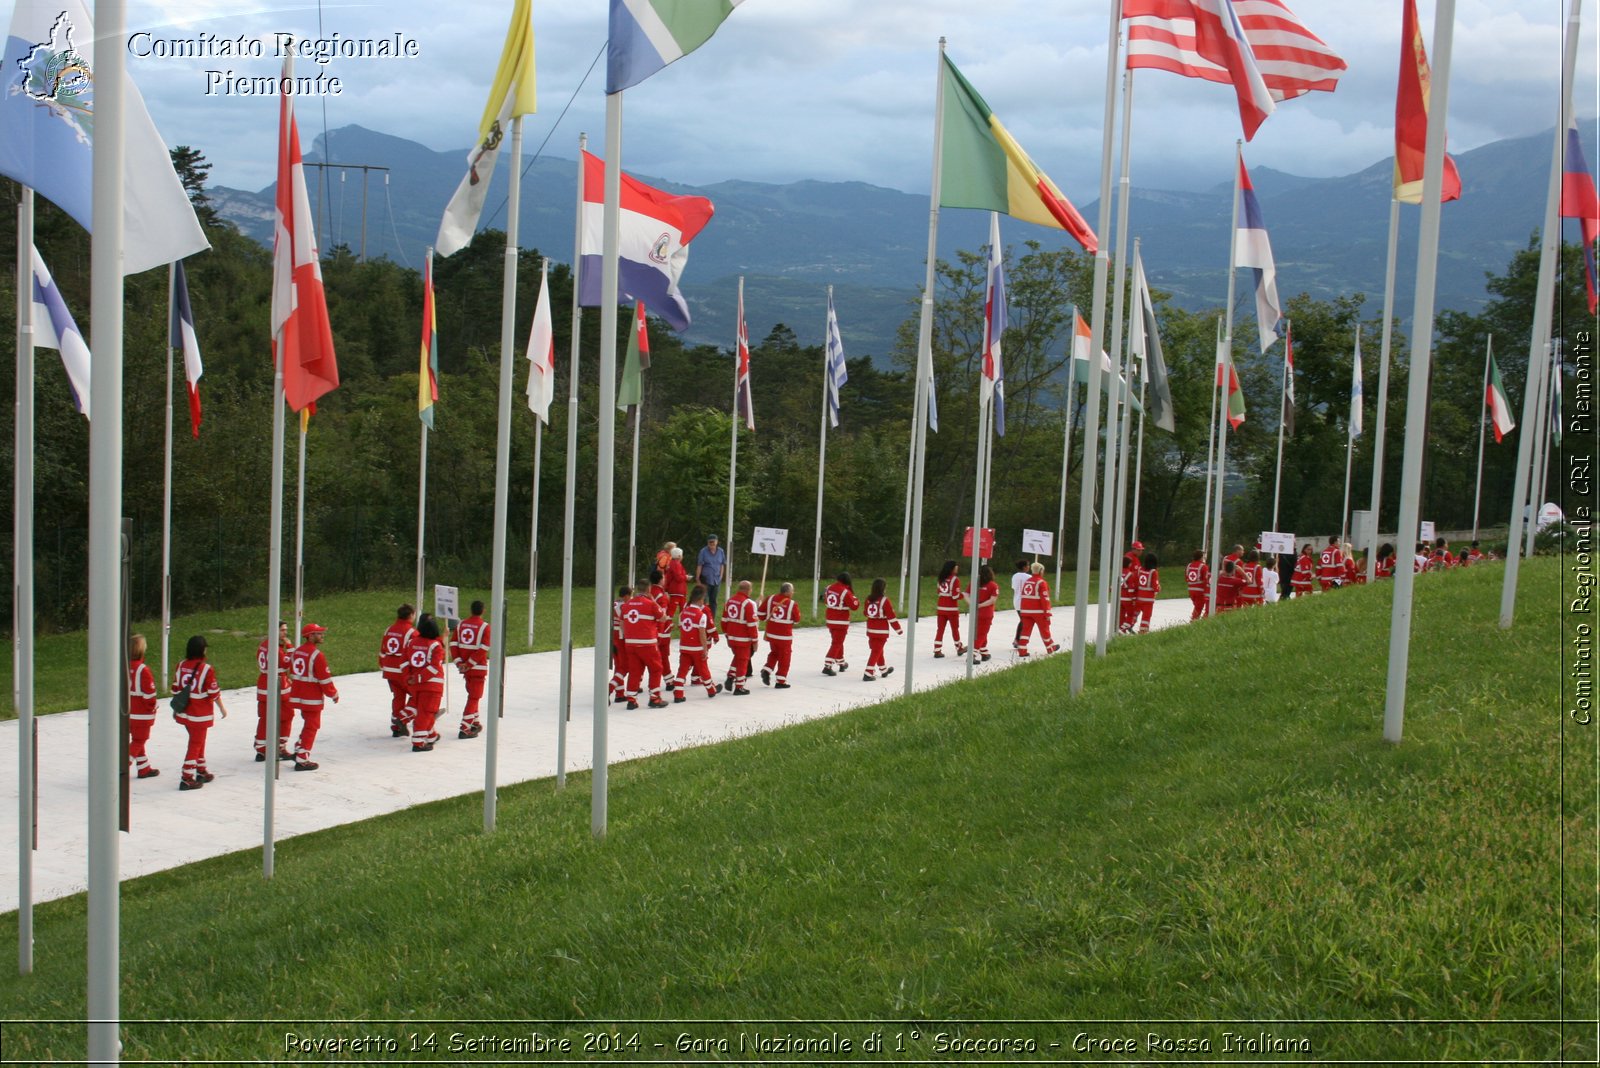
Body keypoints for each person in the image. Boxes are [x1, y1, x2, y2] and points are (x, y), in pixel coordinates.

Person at [174, 634, 228, 790]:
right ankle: (187, 777)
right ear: (203, 650)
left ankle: (201, 770)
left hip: (184, 711)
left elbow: (175, 687)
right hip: (200, 713)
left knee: (198, 741)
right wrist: (222, 707)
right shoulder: (206, 669)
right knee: (195, 743)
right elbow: (213, 691)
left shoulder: (181, 665)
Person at [288, 622, 339, 772]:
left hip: (297, 695)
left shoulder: (296, 652)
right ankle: (302, 758)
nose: (322, 635)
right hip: (312, 697)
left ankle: (299, 747)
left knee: (308, 723)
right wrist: (333, 693)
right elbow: (324, 678)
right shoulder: (317, 655)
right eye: (318, 633)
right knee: (313, 725)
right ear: (310, 636)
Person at [621, 584, 669, 709]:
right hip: (647, 643)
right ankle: (655, 698)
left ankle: (631, 700)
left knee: (634, 672)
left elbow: (622, 624)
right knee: (656, 669)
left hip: (630, 644)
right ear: (648, 590)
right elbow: (663, 618)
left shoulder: (626, 605)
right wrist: (653, 601)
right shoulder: (650, 604)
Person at [406, 616, 447, 752]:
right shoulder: (436, 646)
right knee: (426, 712)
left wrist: (410, 678)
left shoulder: (411, 642)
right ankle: (418, 742)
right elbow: (434, 667)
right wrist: (419, 678)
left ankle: (431, 736)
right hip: (431, 686)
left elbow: (405, 662)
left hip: (415, 686)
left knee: (425, 711)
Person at [673, 585, 720, 703]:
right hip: (697, 648)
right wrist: (704, 649)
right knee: (704, 670)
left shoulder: (682, 613)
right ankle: (711, 690)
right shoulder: (701, 615)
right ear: (700, 600)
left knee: (682, 670)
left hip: (684, 647)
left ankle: (678, 693)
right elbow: (702, 634)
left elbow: (681, 628)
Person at [255, 620, 294, 760]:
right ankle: (280, 747)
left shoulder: (263, 646)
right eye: (282, 630)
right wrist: (289, 646)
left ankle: (261, 748)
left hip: (264, 685)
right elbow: (288, 662)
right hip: (278, 686)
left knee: (265, 718)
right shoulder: (276, 649)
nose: (285, 633)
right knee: (287, 716)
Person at [378, 605, 415, 739]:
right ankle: (404, 719)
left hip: (389, 670)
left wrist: (384, 666)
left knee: (398, 697)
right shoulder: (411, 632)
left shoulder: (389, 629)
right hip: (402, 671)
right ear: (411, 615)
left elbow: (382, 650)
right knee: (417, 696)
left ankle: (396, 727)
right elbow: (414, 652)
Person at [127, 634, 160, 779]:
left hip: (127, 711)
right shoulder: (142, 669)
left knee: (136, 738)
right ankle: (121, 767)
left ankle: (144, 768)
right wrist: (153, 706)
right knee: (139, 740)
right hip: (141, 712)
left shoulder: (124, 666)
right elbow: (149, 694)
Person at [454, 600, 489, 739]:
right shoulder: (485, 627)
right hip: (477, 668)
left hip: (465, 669)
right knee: (475, 697)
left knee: (472, 694)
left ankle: (475, 721)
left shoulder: (460, 624)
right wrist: (470, 663)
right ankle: (465, 727)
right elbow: (484, 648)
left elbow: (453, 644)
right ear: (483, 610)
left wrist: (459, 663)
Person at [720, 579, 760, 695]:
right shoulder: (747, 604)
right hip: (743, 638)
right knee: (743, 661)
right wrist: (755, 640)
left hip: (732, 637)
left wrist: (727, 636)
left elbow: (724, 621)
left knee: (737, 657)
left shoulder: (729, 601)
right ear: (747, 590)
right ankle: (739, 686)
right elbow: (751, 625)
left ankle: (730, 676)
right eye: (751, 589)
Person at [759, 581, 800, 688]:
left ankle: (767, 670)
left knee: (775, 652)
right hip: (784, 636)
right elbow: (797, 620)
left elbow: (761, 615)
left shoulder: (770, 598)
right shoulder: (792, 604)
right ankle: (781, 681)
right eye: (792, 591)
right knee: (785, 657)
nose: (793, 593)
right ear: (788, 592)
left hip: (771, 634)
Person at [862, 578, 902, 681]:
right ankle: (868, 672)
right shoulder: (885, 600)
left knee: (877, 649)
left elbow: (865, 613)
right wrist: (898, 629)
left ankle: (883, 670)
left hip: (870, 629)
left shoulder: (868, 599)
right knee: (876, 651)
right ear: (882, 588)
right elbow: (891, 616)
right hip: (881, 630)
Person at [1016, 562, 1059, 656]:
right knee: (1045, 630)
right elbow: (1045, 599)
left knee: (1025, 631)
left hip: (1026, 611)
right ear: (1041, 571)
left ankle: (1022, 650)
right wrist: (1047, 613)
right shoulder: (1041, 582)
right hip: (1038, 612)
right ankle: (1050, 648)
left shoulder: (1027, 581)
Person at [822, 572, 859, 676]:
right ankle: (827, 665)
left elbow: (825, 600)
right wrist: (855, 598)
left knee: (837, 641)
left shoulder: (829, 588)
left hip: (830, 619)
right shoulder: (845, 591)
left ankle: (841, 663)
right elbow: (854, 606)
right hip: (841, 621)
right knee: (837, 643)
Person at [933, 560, 967, 657]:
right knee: (955, 629)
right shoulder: (955, 579)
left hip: (941, 608)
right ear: (952, 568)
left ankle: (937, 649)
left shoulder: (941, 578)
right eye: (956, 566)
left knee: (940, 629)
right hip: (951, 609)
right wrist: (963, 595)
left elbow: (938, 592)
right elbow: (955, 596)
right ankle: (959, 647)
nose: (957, 568)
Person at [647, 568, 674, 674]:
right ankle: (669, 679)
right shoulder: (661, 596)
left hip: (650, 628)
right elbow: (662, 615)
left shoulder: (650, 592)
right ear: (660, 580)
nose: (665, 579)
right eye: (663, 577)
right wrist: (661, 633)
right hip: (661, 630)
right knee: (664, 655)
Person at [609, 587, 632, 704]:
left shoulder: (613, 604)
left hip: (611, 638)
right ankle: (609, 689)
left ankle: (620, 693)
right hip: (620, 639)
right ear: (626, 596)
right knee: (624, 667)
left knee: (618, 666)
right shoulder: (624, 606)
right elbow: (624, 623)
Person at [696, 534, 727, 617]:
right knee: (704, 600)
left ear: (717, 542)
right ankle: (703, 617)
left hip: (716, 579)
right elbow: (699, 565)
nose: (711, 544)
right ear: (707, 542)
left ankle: (712, 618)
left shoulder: (721, 551)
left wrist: (721, 575)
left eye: (713, 542)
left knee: (714, 600)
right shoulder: (703, 551)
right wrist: (697, 578)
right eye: (710, 542)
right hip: (705, 579)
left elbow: (722, 564)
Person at [973, 564, 999, 661]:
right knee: (982, 634)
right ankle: (973, 654)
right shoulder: (993, 585)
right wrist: (981, 605)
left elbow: (966, 594)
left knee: (980, 632)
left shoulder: (975, 583)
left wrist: (974, 605)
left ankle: (984, 652)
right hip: (986, 613)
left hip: (976, 613)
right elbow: (992, 600)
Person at [1135, 551, 1160, 632]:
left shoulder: (1140, 570)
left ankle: (1127, 626)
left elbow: (1136, 581)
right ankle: (1143, 631)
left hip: (1139, 597)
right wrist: (1159, 588)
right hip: (1148, 600)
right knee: (1146, 617)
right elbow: (1155, 587)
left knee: (1134, 614)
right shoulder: (1153, 572)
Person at [1117, 555, 1142, 634]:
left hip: (1120, 597)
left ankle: (1121, 629)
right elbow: (1131, 588)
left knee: (1121, 615)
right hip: (1128, 598)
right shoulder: (1130, 574)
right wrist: (1133, 599)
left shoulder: (1118, 573)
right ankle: (1123, 628)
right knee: (1131, 615)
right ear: (1129, 564)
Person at [664, 546, 689, 620]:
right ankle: (669, 622)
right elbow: (678, 578)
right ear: (679, 556)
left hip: (676, 590)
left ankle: (675, 622)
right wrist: (686, 577)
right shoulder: (676, 564)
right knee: (674, 608)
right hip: (677, 590)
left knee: (679, 607)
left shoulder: (672, 563)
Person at [1185, 551, 1210, 619]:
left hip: (1191, 590)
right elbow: (1205, 580)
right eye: (1204, 557)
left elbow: (1186, 578)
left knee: (1197, 607)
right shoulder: (1204, 566)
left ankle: (1195, 620)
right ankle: (1193, 623)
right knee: (1198, 609)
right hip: (1200, 591)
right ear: (1201, 557)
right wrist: (1206, 592)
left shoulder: (1189, 565)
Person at [1010, 558, 1030, 647]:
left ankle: (1019, 639)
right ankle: (1018, 640)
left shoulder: (1014, 576)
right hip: (1025, 601)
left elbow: (1014, 587)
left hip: (1017, 600)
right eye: (1028, 565)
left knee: (1023, 620)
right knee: (1024, 621)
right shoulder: (1029, 577)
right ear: (1024, 567)